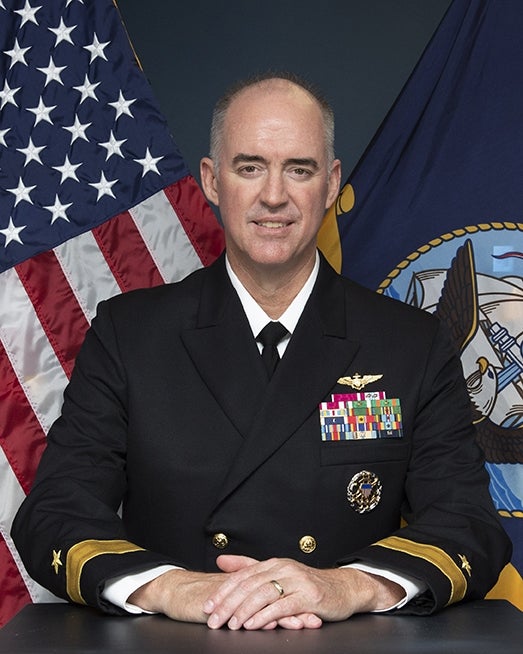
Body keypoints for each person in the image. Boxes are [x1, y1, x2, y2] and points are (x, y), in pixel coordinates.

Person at [12, 72, 511, 631]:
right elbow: (53, 517)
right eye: (249, 167)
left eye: (300, 169)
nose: (274, 195)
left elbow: (470, 527)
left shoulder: (410, 343)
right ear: (212, 180)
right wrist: (171, 586)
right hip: (181, 641)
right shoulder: (130, 335)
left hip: (345, 645)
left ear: (330, 183)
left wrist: (347, 584)